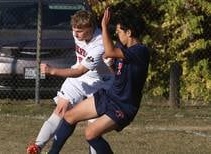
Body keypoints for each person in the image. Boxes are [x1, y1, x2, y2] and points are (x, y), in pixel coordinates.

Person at [47, 7, 150, 154]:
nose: (117, 33)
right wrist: (110, 66)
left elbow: (109, 52)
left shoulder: (141, 51)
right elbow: (116, 69)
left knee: (91, 133)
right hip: (109, 96)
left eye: (120, 31)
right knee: (70, 116)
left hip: (124, 105)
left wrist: (103, 27)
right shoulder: (124, 46)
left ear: (129, 33)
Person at [27, 10, 114, 154]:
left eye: (80, 31)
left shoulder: (99, 45)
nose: (76, 34)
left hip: (100, 82)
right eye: (74, 30)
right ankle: (37, 147)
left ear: (91, 28)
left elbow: (80, 71)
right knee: (61, 109)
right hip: (79, 79)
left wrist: (52, 71)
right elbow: (79, 71)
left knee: (92, 127)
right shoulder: (77, 33)